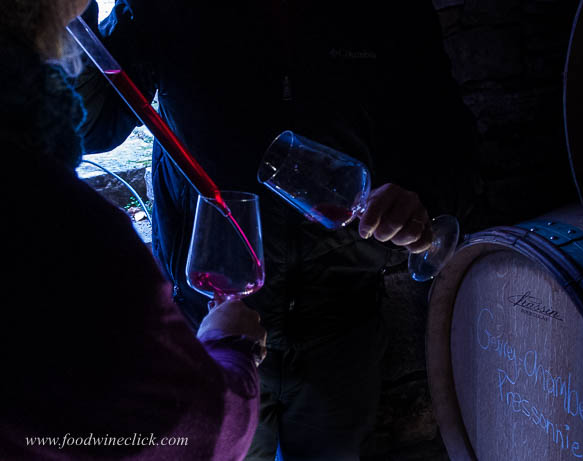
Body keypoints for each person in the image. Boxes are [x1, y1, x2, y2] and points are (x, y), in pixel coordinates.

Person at [76, 1, 479, 459]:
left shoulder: (388, 11)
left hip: (342, 325)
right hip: (214, 320)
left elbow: (451, 141)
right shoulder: (164, 7)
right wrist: (69, 15)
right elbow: (93, 124)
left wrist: (425, 199)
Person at [0, 1, 265, 459]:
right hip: (215, 314)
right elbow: (186, 427)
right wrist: (229, 350)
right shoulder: (46, 211)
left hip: (323, 303)